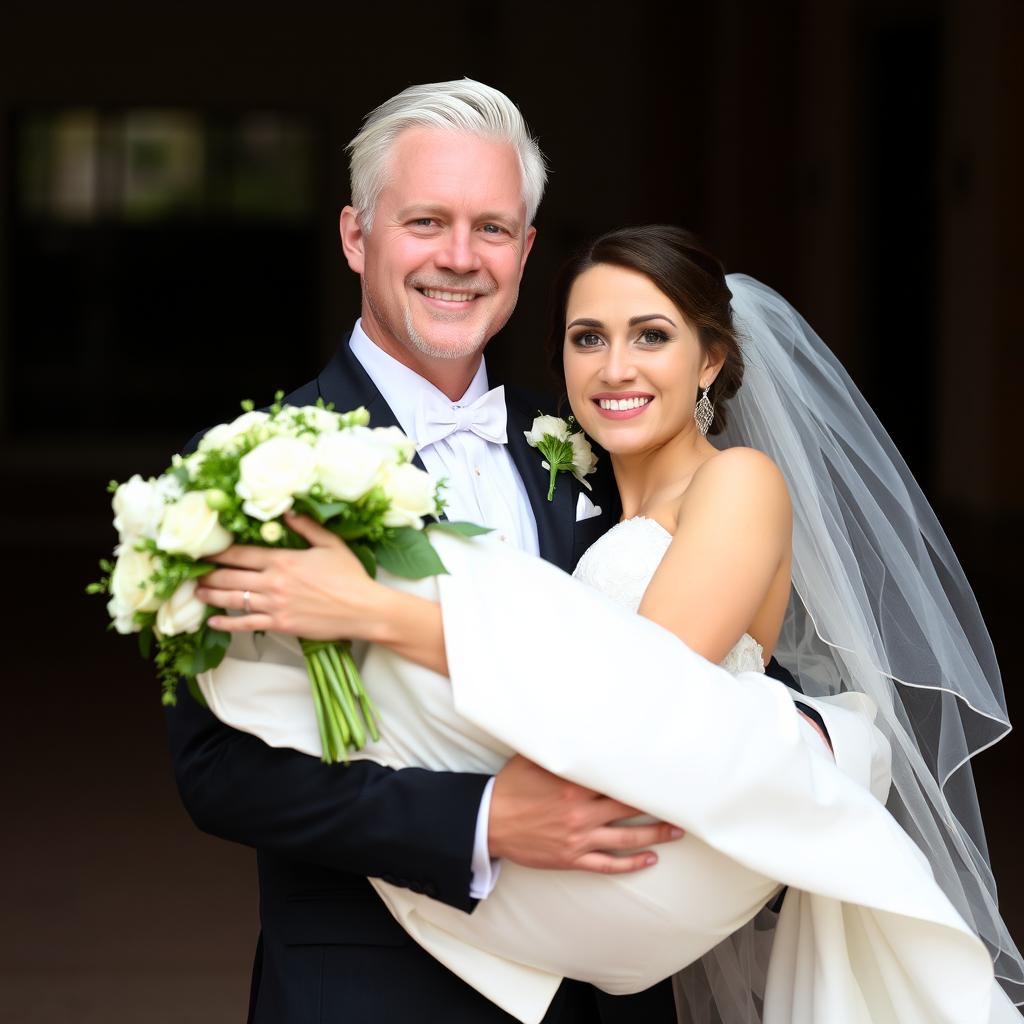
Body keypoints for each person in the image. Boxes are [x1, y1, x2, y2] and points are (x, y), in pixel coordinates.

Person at [196, 225, 1024, 1023]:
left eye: (651, 336)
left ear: (712, 358)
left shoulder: (739, 482)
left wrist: (373, 609)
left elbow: (636, 689)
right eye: (587, 338)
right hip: (487, 898)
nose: (614, 367)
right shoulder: (576, 489)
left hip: (644, 855)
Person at [167, 79, 767, 1024]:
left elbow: (713, 629)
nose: (459, 258)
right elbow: (218, 770)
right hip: (370, 985)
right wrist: (484, 823)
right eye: (426, 222)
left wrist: (799, 742)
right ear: (357, 237)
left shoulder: (595, 441)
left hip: (603, 991)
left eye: (492, 228)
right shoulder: (259, 468)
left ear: (526, 252)